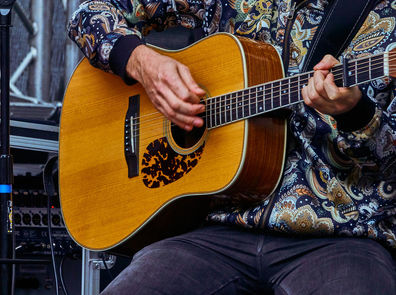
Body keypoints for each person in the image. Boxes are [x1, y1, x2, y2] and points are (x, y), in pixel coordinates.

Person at [68, 0, 396, 293]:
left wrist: (358, 115)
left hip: (343, 236)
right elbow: (88, 14)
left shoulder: (387, 18)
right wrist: (142, 64)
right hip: (220, 228)